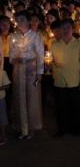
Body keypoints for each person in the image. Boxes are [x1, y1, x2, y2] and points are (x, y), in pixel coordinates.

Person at [9, 11, 44, 139]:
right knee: (19, 97)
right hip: (18, 69)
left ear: (29, 21)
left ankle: (32, 128)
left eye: (23, 19)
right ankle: (21, 127)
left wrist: (39, 73)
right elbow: (11, 55)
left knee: (32, 98)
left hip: (31, 69)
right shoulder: (13, 36)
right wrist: (14, 59)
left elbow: (40, 56)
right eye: (18, 20)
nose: (20, 22)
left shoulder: (35, 36)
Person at [51, 19, 80, 137]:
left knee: (75, 107)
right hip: (59, 80)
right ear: (59, 30)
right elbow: (51, 61)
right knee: (60, 107)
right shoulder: (55, 44)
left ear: (73, 29)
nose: (65, 30)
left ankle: (76, 128)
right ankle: (62, 129)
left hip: (74, 81)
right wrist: (48, 64)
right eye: (63, 28)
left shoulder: (78, 44)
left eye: (68, 27)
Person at [0, 55, 11, 146]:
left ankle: (4, 137)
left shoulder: (2, 73)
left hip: (1, 99)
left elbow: (7, 85)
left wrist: (0, 88)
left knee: (2, 119)